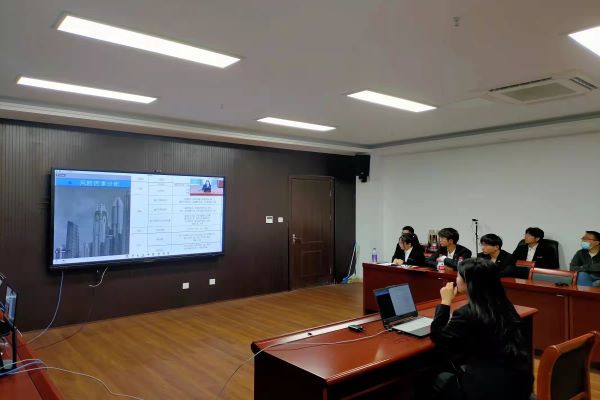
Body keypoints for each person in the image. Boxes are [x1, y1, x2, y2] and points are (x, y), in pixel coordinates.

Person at [430, 258, 533, 400]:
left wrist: (445, 303)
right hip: (518, 383)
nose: (456, 279)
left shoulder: (466, 313)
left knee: (434, 376)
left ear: (469, 282)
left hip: (487, 389)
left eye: (458, 275)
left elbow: (439, 338)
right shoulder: (504, 305)